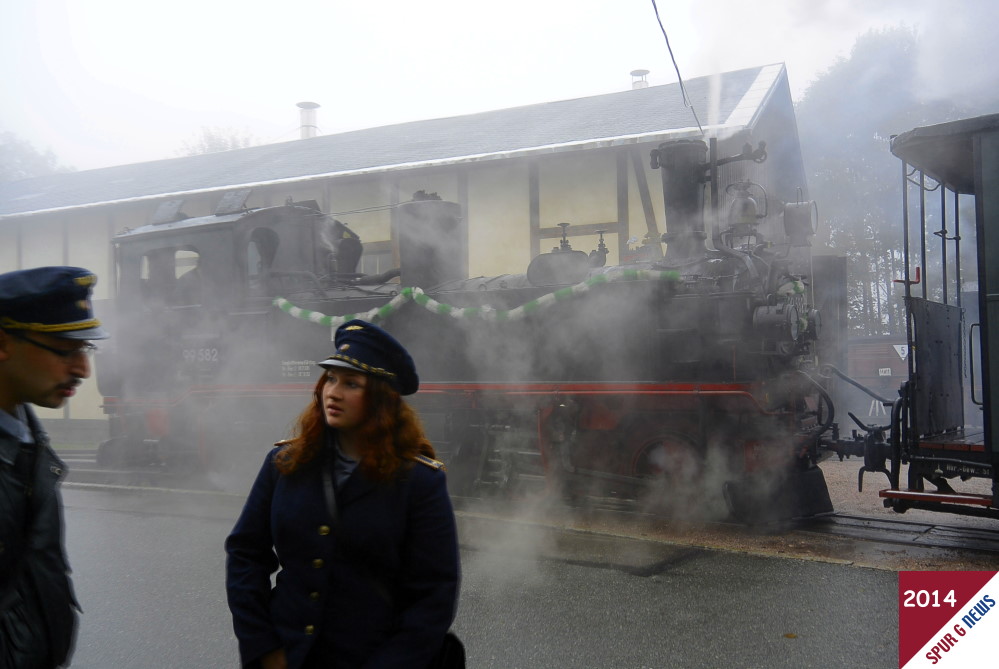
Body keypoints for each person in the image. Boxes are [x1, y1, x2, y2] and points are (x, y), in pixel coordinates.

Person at [225, 319, 460, 669]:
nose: (332, 392)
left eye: (351, 383)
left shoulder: (419, 482)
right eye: (330, 379)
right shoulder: (284, 463)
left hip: (371, 657)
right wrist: (263, 646)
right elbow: (246, 555)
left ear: (381, 399)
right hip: (285, 656)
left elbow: (434, 595)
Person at [0, 266, 110, 669]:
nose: (83, 369)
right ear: (2, 343)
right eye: (65, 350)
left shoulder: (27, 437)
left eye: (87, 349)